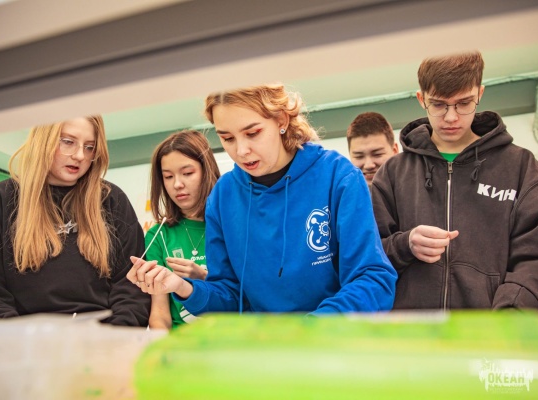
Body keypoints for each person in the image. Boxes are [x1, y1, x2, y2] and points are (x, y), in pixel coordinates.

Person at [128, 83, 397, 315]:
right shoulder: (223, 196)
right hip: (263, 349)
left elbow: (372, 279)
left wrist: (312, 328)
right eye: (227, 138)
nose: (241, 151)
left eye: (252, 133)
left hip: (331, 343)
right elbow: (230, 295)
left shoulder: (338, 176)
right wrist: (183, 288)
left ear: (281, 120)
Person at [370, 50, 538, 310]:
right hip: (410, 330)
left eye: (464, 103)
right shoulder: (393, 173)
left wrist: (511, 316)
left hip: (493, 329)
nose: (451, 117)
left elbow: (534, 256)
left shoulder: (520, 167)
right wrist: (405, 245)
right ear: (421, 99)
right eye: (439, 104)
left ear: (479, 94)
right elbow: (366, 256)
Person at [0, 116, 151, 326]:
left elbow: (131, 288)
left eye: (89, 147)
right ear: (43, 141)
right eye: (68, 142)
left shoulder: (111, 200)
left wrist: (111, 338)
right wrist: (22, 340)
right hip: (19, 340)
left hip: (101, 341)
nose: (80, 155)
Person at [137, 129, 220, 329]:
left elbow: (246, 296)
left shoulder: (230, 225)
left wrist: (202, 277)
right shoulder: (158, 235)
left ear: (206, 171)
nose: (177, 184)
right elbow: (159, 314)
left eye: (188, 173)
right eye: (168, 176)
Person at [347, 112, 398, 185]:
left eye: (377, 154)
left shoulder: (413, 187)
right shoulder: (340, 190)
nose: (368, 165)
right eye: (359, 156)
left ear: (395, 151)